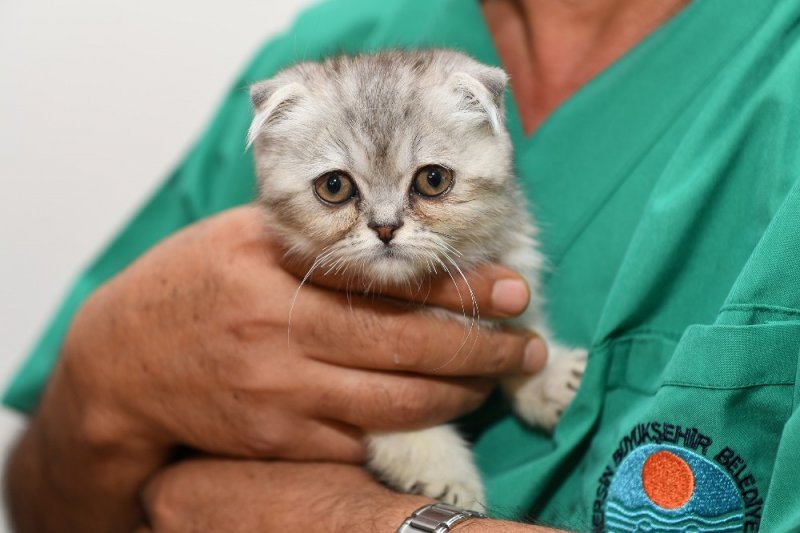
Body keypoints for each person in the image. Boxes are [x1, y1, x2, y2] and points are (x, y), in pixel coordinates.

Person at [5, 0, 800, 531]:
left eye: (431, 182)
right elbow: (40, 500)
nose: (385, 224)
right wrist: (103, 374)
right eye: (337, 188)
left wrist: (353, 519)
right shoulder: (327, 45)